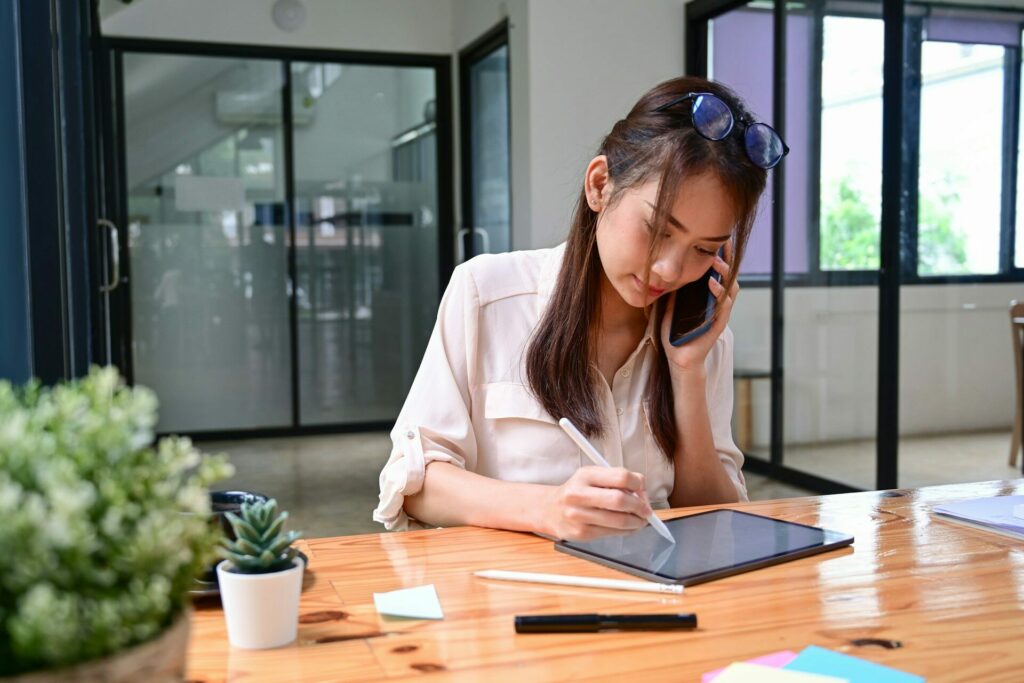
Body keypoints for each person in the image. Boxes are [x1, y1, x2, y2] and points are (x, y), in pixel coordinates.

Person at [374, 76, 786, 540]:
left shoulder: (700, 335)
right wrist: (547, 509)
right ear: (599, 185)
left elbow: (715, 523)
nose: (670, 270)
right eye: (658, 230)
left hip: (657, 600)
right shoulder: (487, 294)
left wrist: (687, 372)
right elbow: (415, 481)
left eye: (703, 249)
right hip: (521, 598)